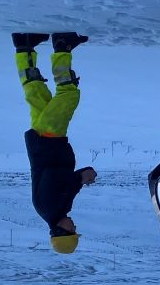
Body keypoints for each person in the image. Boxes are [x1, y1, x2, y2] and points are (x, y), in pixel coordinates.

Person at [13, 31, 97, 254]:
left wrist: (80, 177)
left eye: (72, 230)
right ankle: (24, 48)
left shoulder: (50, 207)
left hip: (49, 140)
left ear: (62, 232)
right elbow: (65, 183)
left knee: (69, 96)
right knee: (36, 91)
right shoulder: (57, 210)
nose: (74, 226)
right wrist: (78, 181)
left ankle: (62, 47)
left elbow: (53, 175)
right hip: (43, 141)